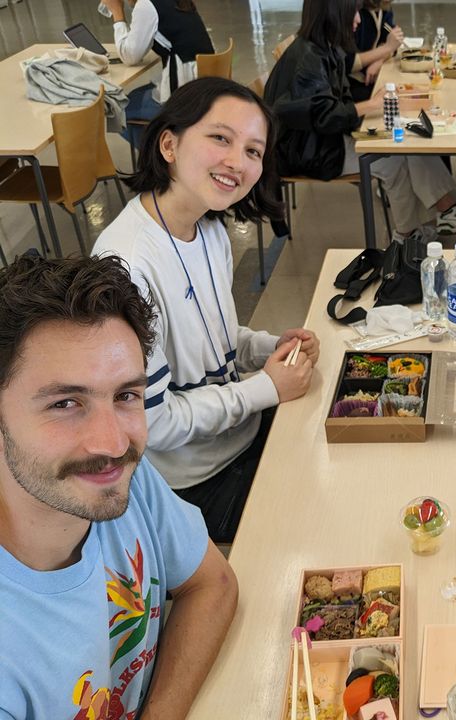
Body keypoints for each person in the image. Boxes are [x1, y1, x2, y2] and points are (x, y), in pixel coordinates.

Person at [0, 253, 237, 718]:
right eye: (66, 403)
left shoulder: (116, 479)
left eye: (126, 395)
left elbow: (212, 583)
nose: (112, 442)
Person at [92, 77, 317, 544]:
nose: (238, 162)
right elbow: (156, 422)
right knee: (319, 520)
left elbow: (215, 333)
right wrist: (266, 388)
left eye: (254, 151)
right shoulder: (126, 266)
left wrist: (265, 347)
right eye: (220, 138)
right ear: (169, 144)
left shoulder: (208, 226)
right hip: (196, 482)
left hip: (241, 432)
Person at [264, 0, 456, 242]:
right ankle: (412, 232)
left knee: (406, 138)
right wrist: (372, 105)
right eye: (352, 13)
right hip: (307, 151)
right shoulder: (309, 59)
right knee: (394, 156)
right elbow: (324, 117)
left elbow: (329, 100)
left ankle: (432, 219)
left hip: (317, 139)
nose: (357, 19)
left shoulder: (319, 46)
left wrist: (372, 101)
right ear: (334, 14)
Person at [100, 0, 214, 145]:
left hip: (184, 94)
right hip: (205, 85)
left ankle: (162, 156)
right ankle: (160, 153)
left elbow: (129, 55)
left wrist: (118, 14)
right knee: (135, 96)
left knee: (117, 109)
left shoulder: (146, 5)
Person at [346, 0, 405, 103]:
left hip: (372, 78)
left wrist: (380, 60)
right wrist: (387, 48)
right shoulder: (354, 11)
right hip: (350, 85)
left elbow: (392, 43)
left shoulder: (384, 7)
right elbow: (347, 62)